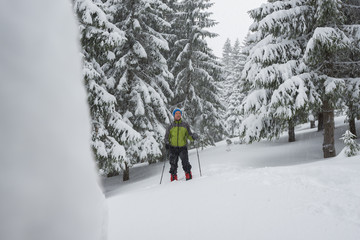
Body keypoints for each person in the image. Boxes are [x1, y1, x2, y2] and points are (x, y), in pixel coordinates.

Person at [164, 108, 198, 181]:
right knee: (173, 163)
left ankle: (188, 173)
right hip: (173, 147)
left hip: (183, 147)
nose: (178, 115)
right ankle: (173, 176)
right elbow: (167, 137)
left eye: (179, 113)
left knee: (185, 162)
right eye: (176, 114)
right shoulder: (170, 126)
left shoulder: (185, 125)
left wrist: (193, 137)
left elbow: (189, 135)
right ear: (174, 115)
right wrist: (167, 143)